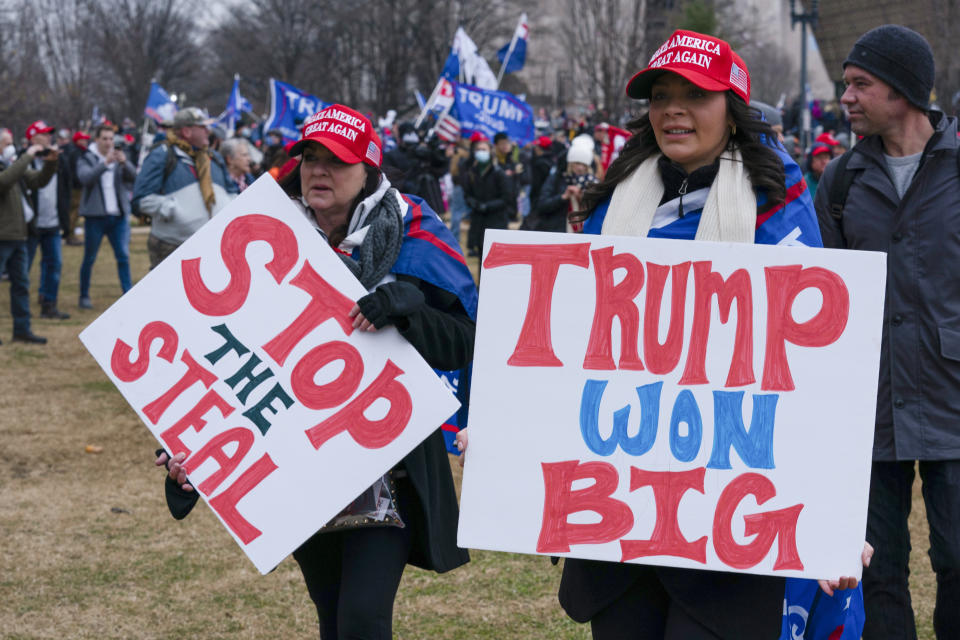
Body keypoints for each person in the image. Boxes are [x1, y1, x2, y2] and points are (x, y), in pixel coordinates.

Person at [459, 28, 870, 639]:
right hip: (622, 519)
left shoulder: (777, 204)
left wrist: (836, 513)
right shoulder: (615, 201)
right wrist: (506, 428)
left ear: (731, 111)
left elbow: (809, 373)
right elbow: (569, 346)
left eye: (695, 94)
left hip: (724, 521)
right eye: (659, 95)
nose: (673, 109)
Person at [155, 103, 478, 639]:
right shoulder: (262, 236)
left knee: (362, 619)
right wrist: (187, 447)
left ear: (370, 168)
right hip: (300, 466)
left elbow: (463, 343)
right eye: (310, 158)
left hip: (388, 469)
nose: (318, 172)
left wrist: (409, 309)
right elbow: (219, 355)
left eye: (336, 161)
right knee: (331, 613)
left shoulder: (415, 230)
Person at [815, 25, 960, 640]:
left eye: (859, 85)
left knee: (958, 561)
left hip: (954, 401)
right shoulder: (840, 183)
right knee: (877, 568)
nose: (845, 98)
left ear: (903, 89)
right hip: (868, 410)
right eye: (846, 84)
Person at [132, 107, 235, 269]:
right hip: (172, 245)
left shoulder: (214, 157)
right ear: (187, 131)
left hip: (213, 244)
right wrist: (173, 209)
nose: (208, 131)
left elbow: (232, 191)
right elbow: (141, 199)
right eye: (202, 127)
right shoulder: (162, 154)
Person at [0, 131, 56, 344]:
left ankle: (22, 329)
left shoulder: (12, 164)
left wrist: (51, 164)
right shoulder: (11, 166)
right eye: (6, 143)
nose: (11, 146)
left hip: (19, 235)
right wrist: (28, 155)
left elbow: (37, 181)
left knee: (21, 285)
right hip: (2, 236)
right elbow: (4, 182)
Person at [75, 124, 137, 310]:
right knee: (90, 257)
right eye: (105, 139)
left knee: (123, 256)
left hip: (117, 216)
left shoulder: (119, 156)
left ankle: (128, 293)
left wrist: (125, 162)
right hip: (95, 216)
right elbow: (85, 178)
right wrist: (104, 164)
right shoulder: (87, 158)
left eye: (111, 139)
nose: (109, 142)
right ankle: (84, 295)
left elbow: (134, 177)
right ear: (96, 140)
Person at [21, 120, 71, 319]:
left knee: (55, 264)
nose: (49, 137)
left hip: (52, 223)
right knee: (23, 268)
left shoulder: (58, 158)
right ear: (33, 138)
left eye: (50, 133)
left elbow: (65, 189)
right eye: (44, 134)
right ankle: (22, 308)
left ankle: (49, 305)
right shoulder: (24, 159)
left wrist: (65, 221)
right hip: (31, 225)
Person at [528, 134, 597, 233]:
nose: (580, 168)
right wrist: (563, 197)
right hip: (558, 231)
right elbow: (542, 205)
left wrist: (583, 197)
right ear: (570, 163)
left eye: (584, 165)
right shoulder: (558, 178)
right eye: (577, 163)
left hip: (584, 232)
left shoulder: (593, 183)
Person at [462, 133, 514, 258]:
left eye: (484, 150)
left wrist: (487, 206)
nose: (481, 152)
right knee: (481, 255)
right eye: (478, 150)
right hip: (479, 221)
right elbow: (467, 193)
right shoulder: (472, 173)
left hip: (496, 220)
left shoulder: (499, 173)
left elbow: (507, 197)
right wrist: (472, 202)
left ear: (490, 151)